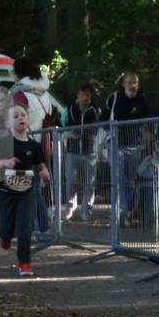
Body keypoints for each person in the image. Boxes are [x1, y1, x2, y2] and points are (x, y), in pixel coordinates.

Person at [0, 105, 52, 277]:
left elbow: (41, 165)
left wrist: (44, 172)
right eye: (15, 116)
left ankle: (25, 263)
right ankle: (4, 236)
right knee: (5, 228)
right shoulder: (2, 142)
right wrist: (3, 163)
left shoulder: (34, 145)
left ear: (28, 120)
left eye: (23, 115)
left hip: (26, 192)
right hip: (5, 192)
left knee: (25, 228)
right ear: (8, 123)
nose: (20, 118)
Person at [10, 60, 62, 235]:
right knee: (34, 188)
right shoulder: (44, 93)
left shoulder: (20, 95)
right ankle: (41, 227)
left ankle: (31, 228)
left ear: (19, 73)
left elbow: (18, 119)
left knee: (27, 190)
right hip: (42, 145)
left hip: (25, 145)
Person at [103, 71, 155, 225]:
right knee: (117, 178)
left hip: (134, 146)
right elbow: (103, 119)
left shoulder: (142, 100)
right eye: (130, 82)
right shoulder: (114, 98)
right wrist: (110, 130)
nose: (133, 86)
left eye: (135, 83)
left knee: (132, 180)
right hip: (115, 144)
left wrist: (147, 133)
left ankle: (127, 211)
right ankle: (118, 212)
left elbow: (149, 119)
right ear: (124, 84)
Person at [60, 83, 103, 222]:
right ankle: (70, 207)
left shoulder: (96, 111)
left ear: (91, 97)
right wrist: (68, 134)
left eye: (88, 95)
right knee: (71, 182)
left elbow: (102, 128)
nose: (85, 98)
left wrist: (99, 147)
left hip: (90, 152)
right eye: (83, 94)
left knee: (89, 183)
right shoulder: (68, 110)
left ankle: (86, 210)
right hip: (72, 152)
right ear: (77, 95)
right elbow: (60, 128)